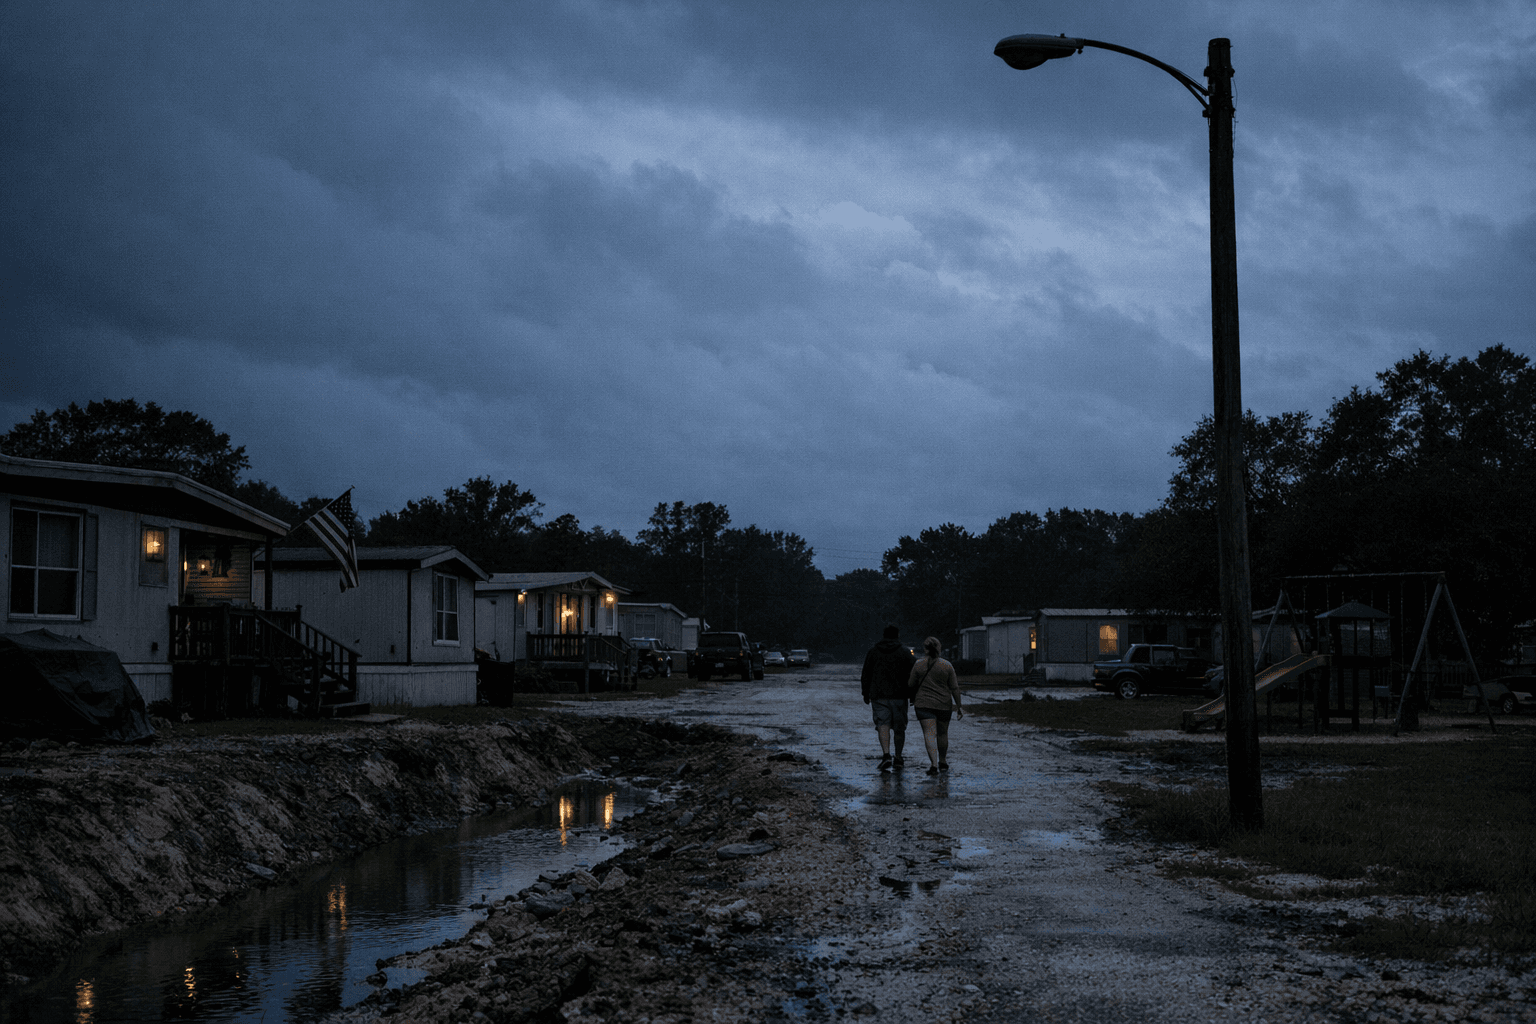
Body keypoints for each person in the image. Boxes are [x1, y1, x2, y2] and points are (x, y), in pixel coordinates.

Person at [860, 625, 916, 771]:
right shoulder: (905, 652)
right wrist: (913, 694)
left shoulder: (873, 652)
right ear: (897, 636)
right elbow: (914, 673)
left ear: (883, 635)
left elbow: (866, 674)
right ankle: (898, 757)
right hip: (899, 695)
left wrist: (865, 692)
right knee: (899, 728)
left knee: (882, 724)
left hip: (878, 695)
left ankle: (886, 755)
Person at [909, 636, 964, 775]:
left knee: (929, 734)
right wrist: (959, 706)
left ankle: (933, 764)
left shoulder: (918, 664)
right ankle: (943, 761)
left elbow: (910, 684)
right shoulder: (947, 665)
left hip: (923, 704)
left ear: (925, 649)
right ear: (939, 648)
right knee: (942, 734)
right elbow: (955, 688)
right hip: (944, 705)